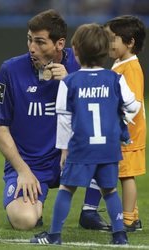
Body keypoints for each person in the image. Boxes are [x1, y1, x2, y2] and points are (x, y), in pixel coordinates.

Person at [30, 23, 141, 245]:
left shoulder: (69, 82)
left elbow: (64, 119)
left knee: (67, 188)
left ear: (77, 53)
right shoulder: (114, 79)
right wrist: (120, 114)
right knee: (109, 191)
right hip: (109, 148)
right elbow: (134, 106)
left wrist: (64, 150)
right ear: (104, 51)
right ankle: (120, 235)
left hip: (82, 148)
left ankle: (54, 236)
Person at [0, 9, 81, 230]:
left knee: (113, 156)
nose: (32, 48)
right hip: (30, 164)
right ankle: (34, 202)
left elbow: (100, 109)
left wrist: (71, 83)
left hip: (70, 160)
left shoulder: (79, 66)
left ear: (59, 44)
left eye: (40, 42)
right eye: (30, 40)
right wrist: (22, 170)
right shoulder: (10, 70)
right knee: (25, 221)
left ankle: (90, 211)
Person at [80, 15, 146, 232]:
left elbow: (134, 104)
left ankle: (129, 220)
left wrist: (116, 122)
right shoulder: (120, 64)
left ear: (130, 42)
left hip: (128, 134)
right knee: (117, 172)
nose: (109, 44)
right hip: (120, 133)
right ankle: (130, 216)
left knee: (126, 176)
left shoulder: (131, 68)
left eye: (113, 39)